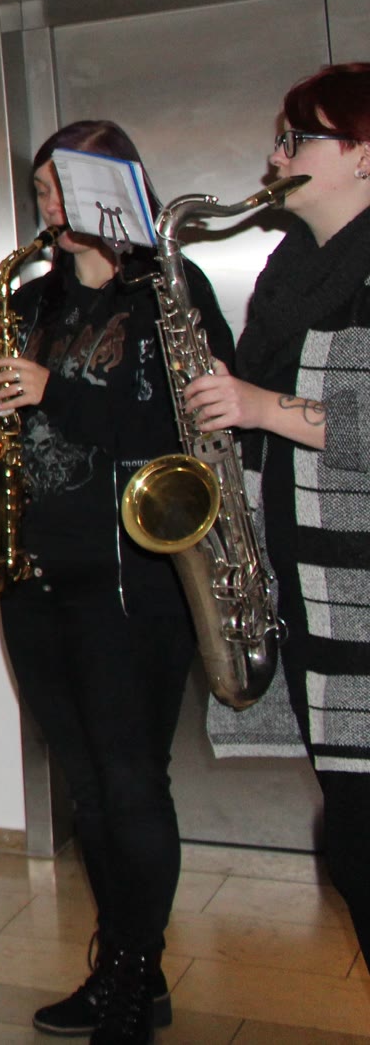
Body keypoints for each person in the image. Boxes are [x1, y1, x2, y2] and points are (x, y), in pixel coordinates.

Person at [0, 121, 230, 1045]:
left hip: (131, 579)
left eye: (63, 188)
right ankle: (120, 965)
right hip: (36, 575)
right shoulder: (32, 300)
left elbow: (184, 429)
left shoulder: (170, 294)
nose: (49, 207)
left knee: (131, 782)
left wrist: (55, 391)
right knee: (84, 786)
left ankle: (136, 972)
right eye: (40, 191)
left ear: (117, 188)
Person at [186, 62, 370, 954]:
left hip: (361, 597)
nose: (277, 157)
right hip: (311, 595)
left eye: (298, 138)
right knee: (353, 839)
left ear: (364, 152)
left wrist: (260, 405)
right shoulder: (290, 268)